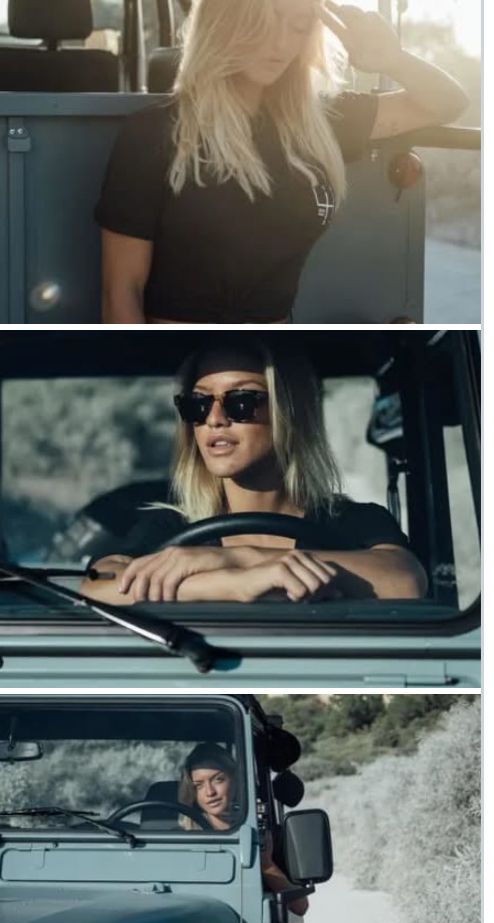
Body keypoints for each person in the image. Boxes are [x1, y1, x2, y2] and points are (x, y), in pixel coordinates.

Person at [95, 0, 469, 323]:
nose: (280, 43)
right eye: (266, 20)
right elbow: (121, 292)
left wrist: (394, 60)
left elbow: (448, 103)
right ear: (226, 18)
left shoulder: (322, 122)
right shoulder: (154, 133)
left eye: (299, 24)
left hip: (271, 352)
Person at [79, 343, 428, 604]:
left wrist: (240, 557)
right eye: (197, 404)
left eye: (241, 401)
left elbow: (406, 582)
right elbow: (99, 586)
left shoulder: (351, 521)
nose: (214, 419)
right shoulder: (173, 528)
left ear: (288, 412)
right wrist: (232, 583)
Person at [178, 742, 308, 915]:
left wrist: (266, 865)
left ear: (235, 780)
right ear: (191, 792)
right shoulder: (179, 838)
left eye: (218, 779)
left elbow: (300, 906)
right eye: (198, 785)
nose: (209, 792)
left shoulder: (257, 834)